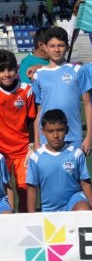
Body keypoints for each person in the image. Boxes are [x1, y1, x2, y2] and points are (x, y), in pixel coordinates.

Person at [31, 26, 92, 154]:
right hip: (46, 138)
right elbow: (38, 112)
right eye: (52, 46)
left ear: (67, 47)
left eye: (60, 45)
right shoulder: (38, 75)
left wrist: (89, 136)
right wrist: (37, 141)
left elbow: (87, 104)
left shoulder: (78, 71)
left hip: (73, 137)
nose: (57, 49)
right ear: (45, 48)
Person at [26, 109, 92, 212]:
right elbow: (32, 188)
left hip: (73, 201)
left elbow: (85, 183)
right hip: (50, 208)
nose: (55, 135)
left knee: (83, 209)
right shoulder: (36, 158)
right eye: (50, 131)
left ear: (66, 130)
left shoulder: (76, 154)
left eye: (60, 130)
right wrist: (31, 217)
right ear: (43, 132)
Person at [0, 50, 36, 212]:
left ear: (17, 69)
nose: (6, 74)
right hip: (2, 152)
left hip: (23, 150)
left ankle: (24, 222)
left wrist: (32, 144)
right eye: (2, 70)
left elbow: (31, 119)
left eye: (10, 69)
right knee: (5, 189)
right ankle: (8, 223)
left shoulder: (26, 90)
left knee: (24, 189)